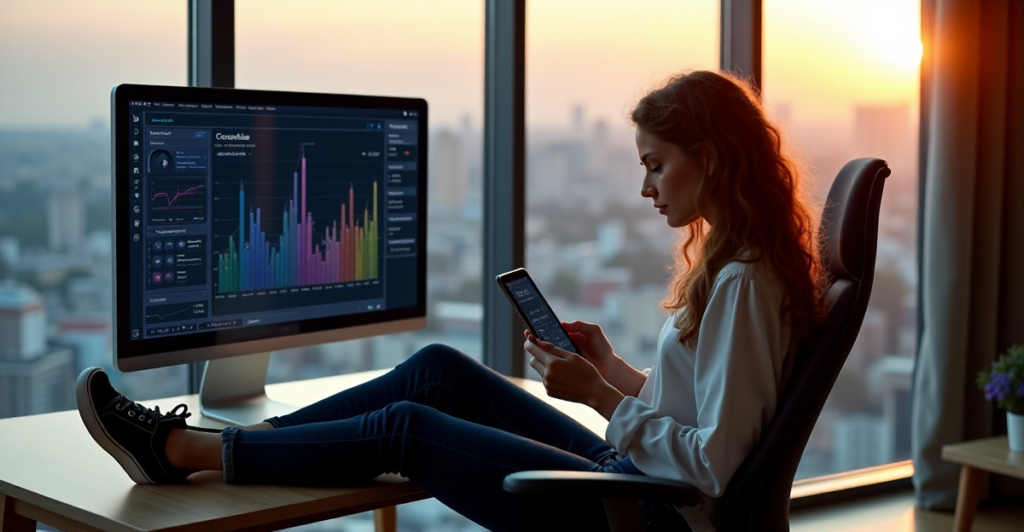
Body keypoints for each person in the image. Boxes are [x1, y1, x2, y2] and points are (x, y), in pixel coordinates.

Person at [76, 70, 825, 532]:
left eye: (657, 165)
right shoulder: (735, 268)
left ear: (713, 158)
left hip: (655, 515)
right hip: (643, 480)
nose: (646, 187)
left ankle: (178, 451)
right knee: (437, 368)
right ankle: (266, 446)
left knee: (407, 428)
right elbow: (702, 411)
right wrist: (615, 370)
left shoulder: (743, 284)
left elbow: (720, 466)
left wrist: (600, 398)